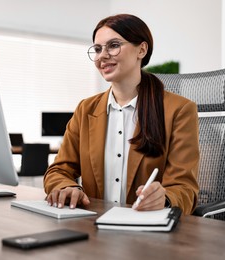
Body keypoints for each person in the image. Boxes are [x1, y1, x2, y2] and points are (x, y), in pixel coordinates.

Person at [43, 14, 199, 215]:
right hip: (93, 226)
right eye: (98, 49)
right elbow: (59, 170)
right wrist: (66, 187)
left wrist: (165, 199)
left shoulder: (179, 110)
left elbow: (185, 188)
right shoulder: (86, 109)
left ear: (141, 50)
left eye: (113, 45)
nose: (102, 56)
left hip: (148, 231)